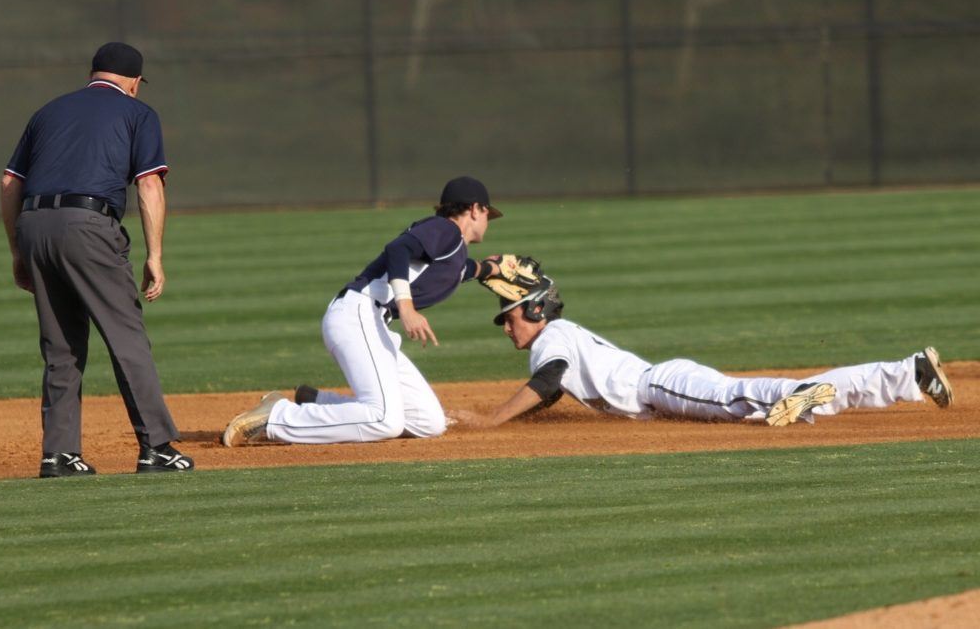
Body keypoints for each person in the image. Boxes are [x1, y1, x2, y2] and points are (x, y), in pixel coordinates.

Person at [1, 41, 193, 477]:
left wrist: (18, 250)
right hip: (87, 225)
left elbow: (10, 181)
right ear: (132, 81)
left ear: (94, 74)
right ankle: (158, 448)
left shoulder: (48, 111)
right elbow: (148, 186)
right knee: (126, 338)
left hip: (33, 225)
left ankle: (59, 455)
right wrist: (156, 255)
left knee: (61, 345)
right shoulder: (138, 114)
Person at [449, 275, 953, 429]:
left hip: (658, 384)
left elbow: (548, 380)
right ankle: (908, 373)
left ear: (535, 311)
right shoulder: (559, 337)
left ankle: (793, 396)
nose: (505, 326)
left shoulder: (551, 339)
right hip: (659, 388)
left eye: (509, 315)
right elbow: (552, 394)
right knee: (752, 400)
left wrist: (491, 420)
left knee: (737, 399)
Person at [222, 176, 506, 446]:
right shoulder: (445, 230)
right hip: (358, 314)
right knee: (385, 420)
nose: (487, 221)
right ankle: (276, 418)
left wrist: (494, 268)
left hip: (372, 322)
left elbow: (461, 269)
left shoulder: (453, 252)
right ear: (473, 209)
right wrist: (406, 306)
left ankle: (318, 402)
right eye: (486, 214)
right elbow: (398, 249)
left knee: (428, 422)